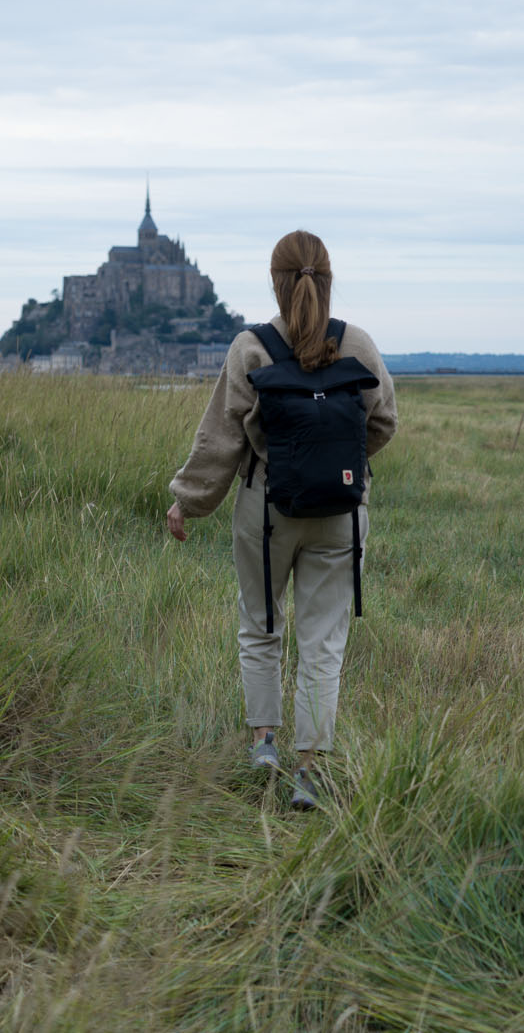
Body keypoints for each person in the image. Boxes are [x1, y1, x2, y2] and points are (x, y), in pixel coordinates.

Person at [166, 230, 397, 808]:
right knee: (323, 644)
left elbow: (219, 439)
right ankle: (309, 772)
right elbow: (385, 421)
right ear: (327, 277)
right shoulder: (358, 344)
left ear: (274, 280)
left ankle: (264, 743)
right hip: (342, 513)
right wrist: (335, 465)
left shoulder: (251, 348)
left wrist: (187, 501)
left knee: (261, 625)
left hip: (265, 508)